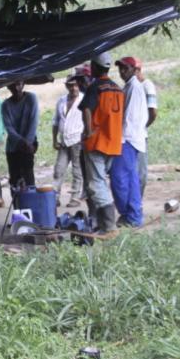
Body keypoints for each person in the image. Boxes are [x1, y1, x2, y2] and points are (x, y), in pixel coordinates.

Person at [79, 52, 124, 233]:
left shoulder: (95, 87)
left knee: (96, 184)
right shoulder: (117, 88)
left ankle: (109, 226)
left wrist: (88, 131)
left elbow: (87, 110)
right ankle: (102, 223)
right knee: (101, 182)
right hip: (113, 142)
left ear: (95, 67)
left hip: (97, 142)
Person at [111, 56, 146, 227]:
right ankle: (133, 215)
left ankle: (128, 214)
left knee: (119, 179)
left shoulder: (133, 87)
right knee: (130, 178)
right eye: (120, 69)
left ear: (133, 69)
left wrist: (119, 138)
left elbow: (128, 118)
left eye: (125, 68)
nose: (122, 72)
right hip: (131, 139)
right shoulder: (130, 87)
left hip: (127, 139)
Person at [1, 81, 39, 196]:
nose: (16, 88)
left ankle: (30, 209)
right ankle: (17, 208)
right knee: (15, 181)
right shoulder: (5, 105)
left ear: (23, 84)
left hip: (29, 146)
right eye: (13, 85)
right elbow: (9, 128)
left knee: (28, 180)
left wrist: (28, 142)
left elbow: (33, 121)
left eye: (19, 84)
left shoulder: (31, 98)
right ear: (8, 86)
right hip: (13, 148)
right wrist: (22, 142)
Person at [52, 75, 85, 207]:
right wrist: (54, 139)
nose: (73, 88)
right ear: (66, 86)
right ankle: (54, 197)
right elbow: (55, 121)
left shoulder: (83, 99)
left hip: (77, 140)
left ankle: (75, 198)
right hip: (64, 140)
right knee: (59, 169)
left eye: (75, 85)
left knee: (77, 171)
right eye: (70, 85)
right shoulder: (61, 101)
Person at [134, 68, 158, 196]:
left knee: (140, 172)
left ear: (137, 70)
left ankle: (138, 202)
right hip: (131, 135)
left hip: (140, 135)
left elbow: (153, 112)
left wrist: (143, 126)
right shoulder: (132, 86)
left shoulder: (147, 86)